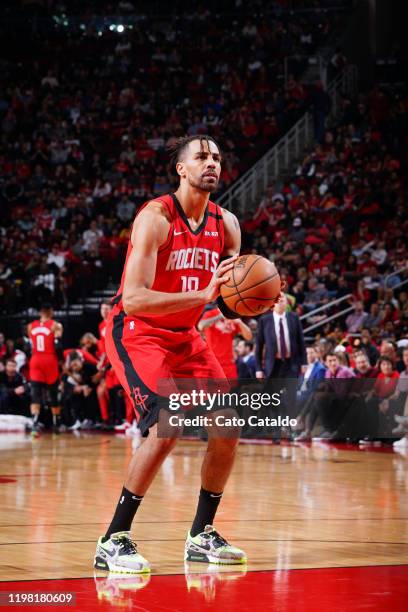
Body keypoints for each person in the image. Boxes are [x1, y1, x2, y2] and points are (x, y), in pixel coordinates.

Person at [95, 135, 258, 573]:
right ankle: (113, 539)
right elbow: (133, 299)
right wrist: (204, 295)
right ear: (181, 170)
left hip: (184, 335)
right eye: (202, 157)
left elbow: (227, 293)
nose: (212, 164)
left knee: (227, 424)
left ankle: (201, 536)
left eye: (218, 158)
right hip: (137, 331)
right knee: (167, 424)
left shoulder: (228, 225)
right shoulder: (155, 218)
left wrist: (253, 299)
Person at [27, 304, 63, 433]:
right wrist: (61, 362)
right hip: (50, 360)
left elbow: (29, 345)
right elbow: (58, 346)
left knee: (35, 393)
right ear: (50, 311)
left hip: (35, 359)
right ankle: (56, 422)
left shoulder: (30, 326)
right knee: (53, 393)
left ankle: (35, 422)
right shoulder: (56, 325)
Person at [197, 306, 252, 379]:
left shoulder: (233, 316)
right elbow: (201, 326)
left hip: (229, 363)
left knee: (230, 389)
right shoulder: (211, 313)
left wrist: (240, 322)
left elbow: (249, 337)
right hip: (212, 362)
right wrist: (221, 316)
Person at [293, 345, 326, 442]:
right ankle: (291, 428)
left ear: (316, 354)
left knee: (299, 400)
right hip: (301, 393)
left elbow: (315, 387)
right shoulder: (304, 367)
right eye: (307, 353)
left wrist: (300, 393)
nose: (309, 355)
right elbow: (299, 383)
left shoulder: (320, 369)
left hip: (309, 394)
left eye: (312, 352)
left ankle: (298, 429)